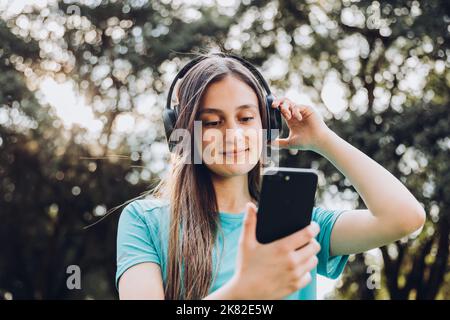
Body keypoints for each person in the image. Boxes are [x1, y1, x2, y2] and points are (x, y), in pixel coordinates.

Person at [116, 52, 426, 300]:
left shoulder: (299, 225)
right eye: (212, 122)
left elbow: (405, 216)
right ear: (182, 133)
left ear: (267, 123)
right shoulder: (145, 220)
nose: (234, 135)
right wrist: (247, 288)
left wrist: (323, 140)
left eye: (246, 118)